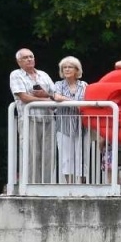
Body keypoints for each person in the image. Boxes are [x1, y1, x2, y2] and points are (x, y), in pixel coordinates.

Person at [48, 56, 87, 184]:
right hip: (63, 126)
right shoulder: (58, 84)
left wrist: (68, 101)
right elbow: (57, 97)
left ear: (77, 70)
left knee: (82, 156)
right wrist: (74, 102)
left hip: (82, 126)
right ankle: (69, 185)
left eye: (70, 67)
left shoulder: (84, 85)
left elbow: (87, 102)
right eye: (64, 67)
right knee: (66, 157)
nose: (67, 69)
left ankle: (81, 185)